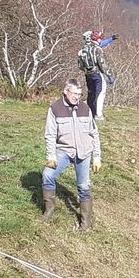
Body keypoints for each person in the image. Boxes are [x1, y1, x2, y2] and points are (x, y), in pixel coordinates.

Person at [42, 78, 101, 230]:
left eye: (79, 94)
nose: (77, 97)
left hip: (84, 152)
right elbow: (50, 135)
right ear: (66, 91)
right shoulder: (55, 108)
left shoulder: (85, 109)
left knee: (83, 186)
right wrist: (51, 156)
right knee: (48, 175)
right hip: (64, 151)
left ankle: (85, 222)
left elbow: (94, 133)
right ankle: (49, 211)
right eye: (74, 93)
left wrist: (97, 157)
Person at [77, 29, 118, 121]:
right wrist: (109, 76)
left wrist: (111, 39)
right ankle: (99, 115)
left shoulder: (83, 50)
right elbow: (102, 64)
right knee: (100, 93)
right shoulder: (97, 49)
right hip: (97, 74)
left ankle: (91, 113)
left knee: (91, 93)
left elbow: (80, 66)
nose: (100, 39)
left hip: (88, 75)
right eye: (99, 38)